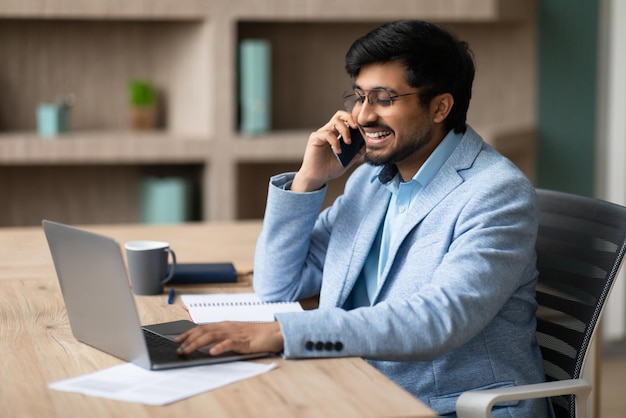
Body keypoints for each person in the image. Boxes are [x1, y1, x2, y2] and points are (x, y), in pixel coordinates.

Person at [177, 20, 550, 417]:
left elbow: (439, 318)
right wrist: (308, 180)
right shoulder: (370, 182)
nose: (362, 116)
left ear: (441, 106)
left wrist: (280, 332)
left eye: (384, 99)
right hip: (355, 386)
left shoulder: (496, 193)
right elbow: (277, 287)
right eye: (359, 97)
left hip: (448, 406)